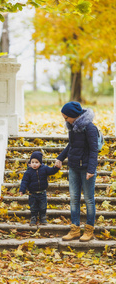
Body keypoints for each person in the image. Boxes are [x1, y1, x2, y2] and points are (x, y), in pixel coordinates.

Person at [55, 101, 98, 242]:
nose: (65, 120)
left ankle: (89, 230)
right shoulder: (73, 127)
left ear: (74, 115)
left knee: (89, 200)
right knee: (74, 199)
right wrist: (61, 157)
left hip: (87, 169)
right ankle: (74, 230)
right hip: (73, 167)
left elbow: (93, 150)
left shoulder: (90, 128)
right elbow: (71, 145)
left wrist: (91, 169)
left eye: (66, 117)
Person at [19, 151, 60, 226]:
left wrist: (56, 168)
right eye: (32, 162)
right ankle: (33, 217)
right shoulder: (28, 172)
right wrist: (22, 190)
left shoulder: (44, 169)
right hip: (32, 193)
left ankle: (43, 216)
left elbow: (51, 171)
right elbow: (24, 181)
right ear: (30, 162)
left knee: (43, 206)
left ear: (40, 163)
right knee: (33, 206)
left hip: (42, 192)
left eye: (36, 162)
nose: (34, 164)